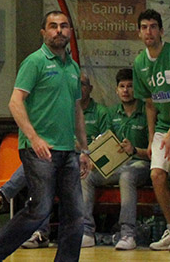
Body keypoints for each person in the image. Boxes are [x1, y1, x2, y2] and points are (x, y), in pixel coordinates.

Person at [0, 10, 90, 262]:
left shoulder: (73, 68)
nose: (59, 30)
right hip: (38, 150)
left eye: (64, 26)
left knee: (76, 215)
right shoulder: (34, 62)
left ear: (70, 32)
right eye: (53, 26)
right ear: (43, 32)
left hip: (68, 151)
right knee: (40, 209)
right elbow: (15, 102)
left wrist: (84, 150)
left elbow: (76, 110)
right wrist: (34, 138)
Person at [0, 72, 111, 249]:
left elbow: (107, 141)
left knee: (44, 167)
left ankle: (4, 195)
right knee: (41, 169)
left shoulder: (100, 112)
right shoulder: (61, 109)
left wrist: (84, 149)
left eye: (82, 84)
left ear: (90, 88)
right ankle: (38, 233)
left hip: (86, 158)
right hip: (60, 154)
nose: (78, 88)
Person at [80, 67, 150, 250]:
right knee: (86, 174)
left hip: (142, 164)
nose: (126, 90)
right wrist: (95, 161)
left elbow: (153, 152)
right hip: (116, 166)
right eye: (122, 86)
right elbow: (105, 145)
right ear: (117, 90)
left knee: (127, 175)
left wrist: (134, 150)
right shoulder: (111, 113)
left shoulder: (147, 112)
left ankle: (127, 234)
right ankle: (86, 232)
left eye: (130, 86)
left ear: (137, 89)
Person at [131, 8, 170, 250]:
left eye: (153, 27)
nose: (149, 31)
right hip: (162, 126)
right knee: (156, 174)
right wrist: (151, 136)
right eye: (144, 27)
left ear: (161, 31)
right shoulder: (139, 63)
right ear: (139, 33)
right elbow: (148, 103)